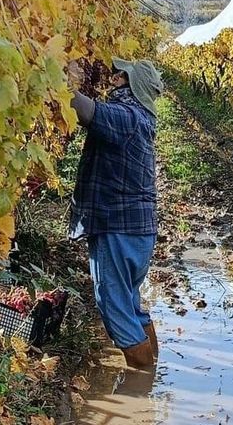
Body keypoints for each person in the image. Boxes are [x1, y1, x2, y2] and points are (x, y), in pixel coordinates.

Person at [68, 58, 163, 367]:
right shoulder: (142, 118)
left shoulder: (127, 117)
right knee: (130, 303)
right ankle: (155, 365)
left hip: (117, 227)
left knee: (115, 308)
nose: (112, 76)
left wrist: (57, 76)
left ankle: (143, 382)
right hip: (138, 230)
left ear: (128, 82)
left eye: (119, 73)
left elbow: (84, 109)